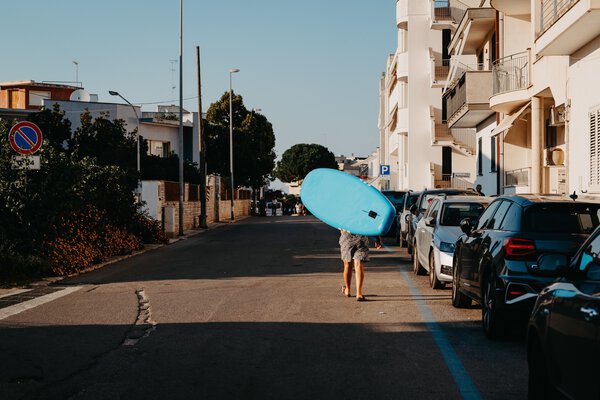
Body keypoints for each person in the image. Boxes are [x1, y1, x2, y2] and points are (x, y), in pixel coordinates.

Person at [339, 230, 382, 301]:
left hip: (347, 236)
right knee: (358, 264)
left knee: (347, 265)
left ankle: (347, 289)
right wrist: (377, 238)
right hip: (361, 236)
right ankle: (359, 294)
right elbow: (371, 221)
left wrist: (341, 230)